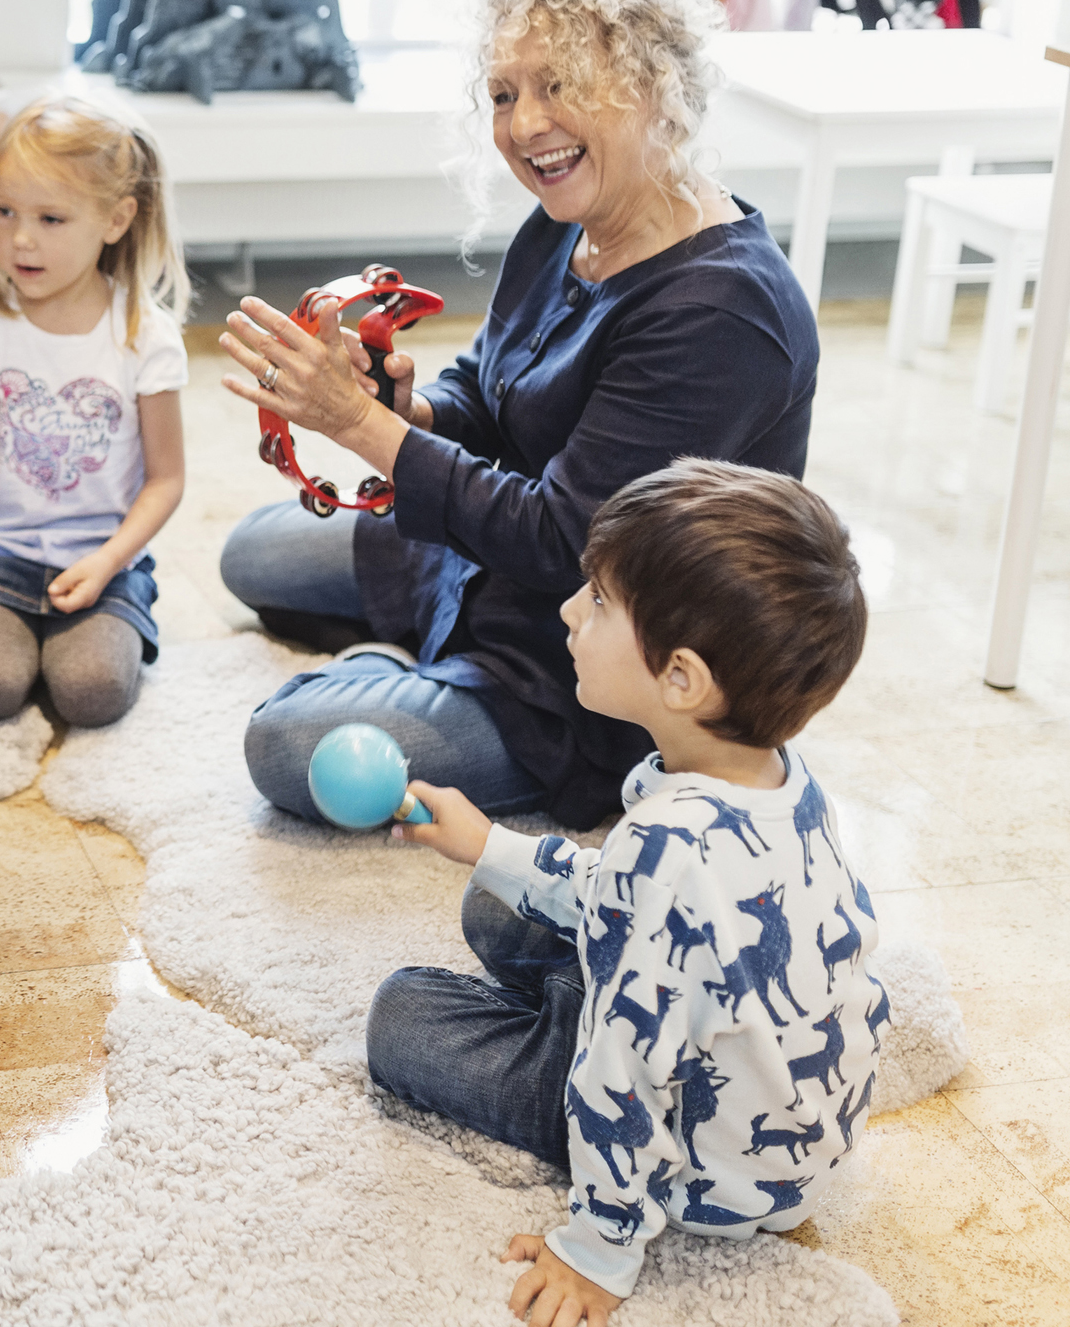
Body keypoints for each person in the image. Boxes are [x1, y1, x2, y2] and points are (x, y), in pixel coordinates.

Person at [219, 0, 817, 828]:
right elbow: (492, 397)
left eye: (560, 85)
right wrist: (402, 406)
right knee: (251, 554)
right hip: (489, 573)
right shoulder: (564, 225)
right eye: (504, 94)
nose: (526, 123)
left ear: (657, 88)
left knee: (283, 744)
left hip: (592, 666)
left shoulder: (721, 311)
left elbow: (564, 540)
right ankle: (410, 662)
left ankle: (411, 675)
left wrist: (358, 426)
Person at [369, 459, 880, 1327]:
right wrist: (486, 843)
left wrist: (599, 1249)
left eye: (599, 600)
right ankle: (563, 974)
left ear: (681, 677)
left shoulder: (665, 847)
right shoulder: (786, 782)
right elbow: (632, 897)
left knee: (400, 1016)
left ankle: (576, 1076)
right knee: (499, 895)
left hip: (707, 1164)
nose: (570, 611)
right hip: (777, 1104)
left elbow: (626, 1070)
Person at [0, 96, 189, 727]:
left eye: (51, 218)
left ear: (116, 219)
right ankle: (10, 643)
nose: (20, 238)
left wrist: (109, 561)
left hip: (102, 562)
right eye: (4, 211)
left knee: (93, 694)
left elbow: (167, 480)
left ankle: (69, 642)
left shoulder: (147, 334)